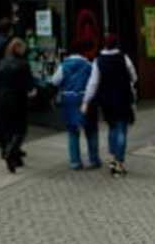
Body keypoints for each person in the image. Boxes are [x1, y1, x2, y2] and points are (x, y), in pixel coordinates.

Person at [84, 33, 137, 176]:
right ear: (116, 44)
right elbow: (134, 76)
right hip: (123, 98)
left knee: (112, 127)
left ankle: (113, 156)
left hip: (106, 100)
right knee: (121, 130)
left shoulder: (98, 61)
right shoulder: (124, 58)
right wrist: (129, 82)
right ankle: (118, 162)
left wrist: (86, 100)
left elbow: (93, 83)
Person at [50, 45, 101, 170]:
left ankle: (75, 162)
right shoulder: (89, 65)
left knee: (73, 132)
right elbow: (95, 82)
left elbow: (54, 81)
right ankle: (94, 160)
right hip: (86, 99)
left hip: (69, 99)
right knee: (91, 130)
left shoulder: (63, 66)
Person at [0, 35, 37, 173]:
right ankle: (11, 152)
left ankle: (13, 155)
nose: (24, 50)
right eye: (23, 47)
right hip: (18, 99)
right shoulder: (23, 64)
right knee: (20, 129)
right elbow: (29, 84)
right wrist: (32, 91)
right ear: (17, 48)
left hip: (2, 98)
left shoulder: (1, 62)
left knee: (7, 127)